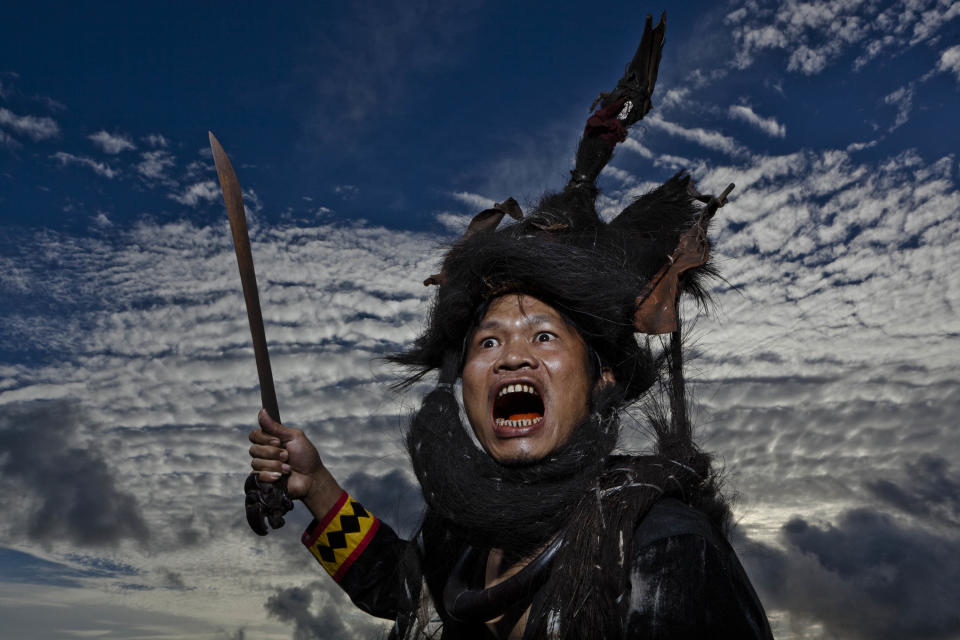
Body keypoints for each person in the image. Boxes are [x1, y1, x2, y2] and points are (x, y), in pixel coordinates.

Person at [248, 14, 773, 640]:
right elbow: (402, 587)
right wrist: (315, 486)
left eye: (544, 336)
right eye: (489, 340)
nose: (511, 358)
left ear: (602, 377)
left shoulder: (664, 551)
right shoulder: (464, 537)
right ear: (463, 379)